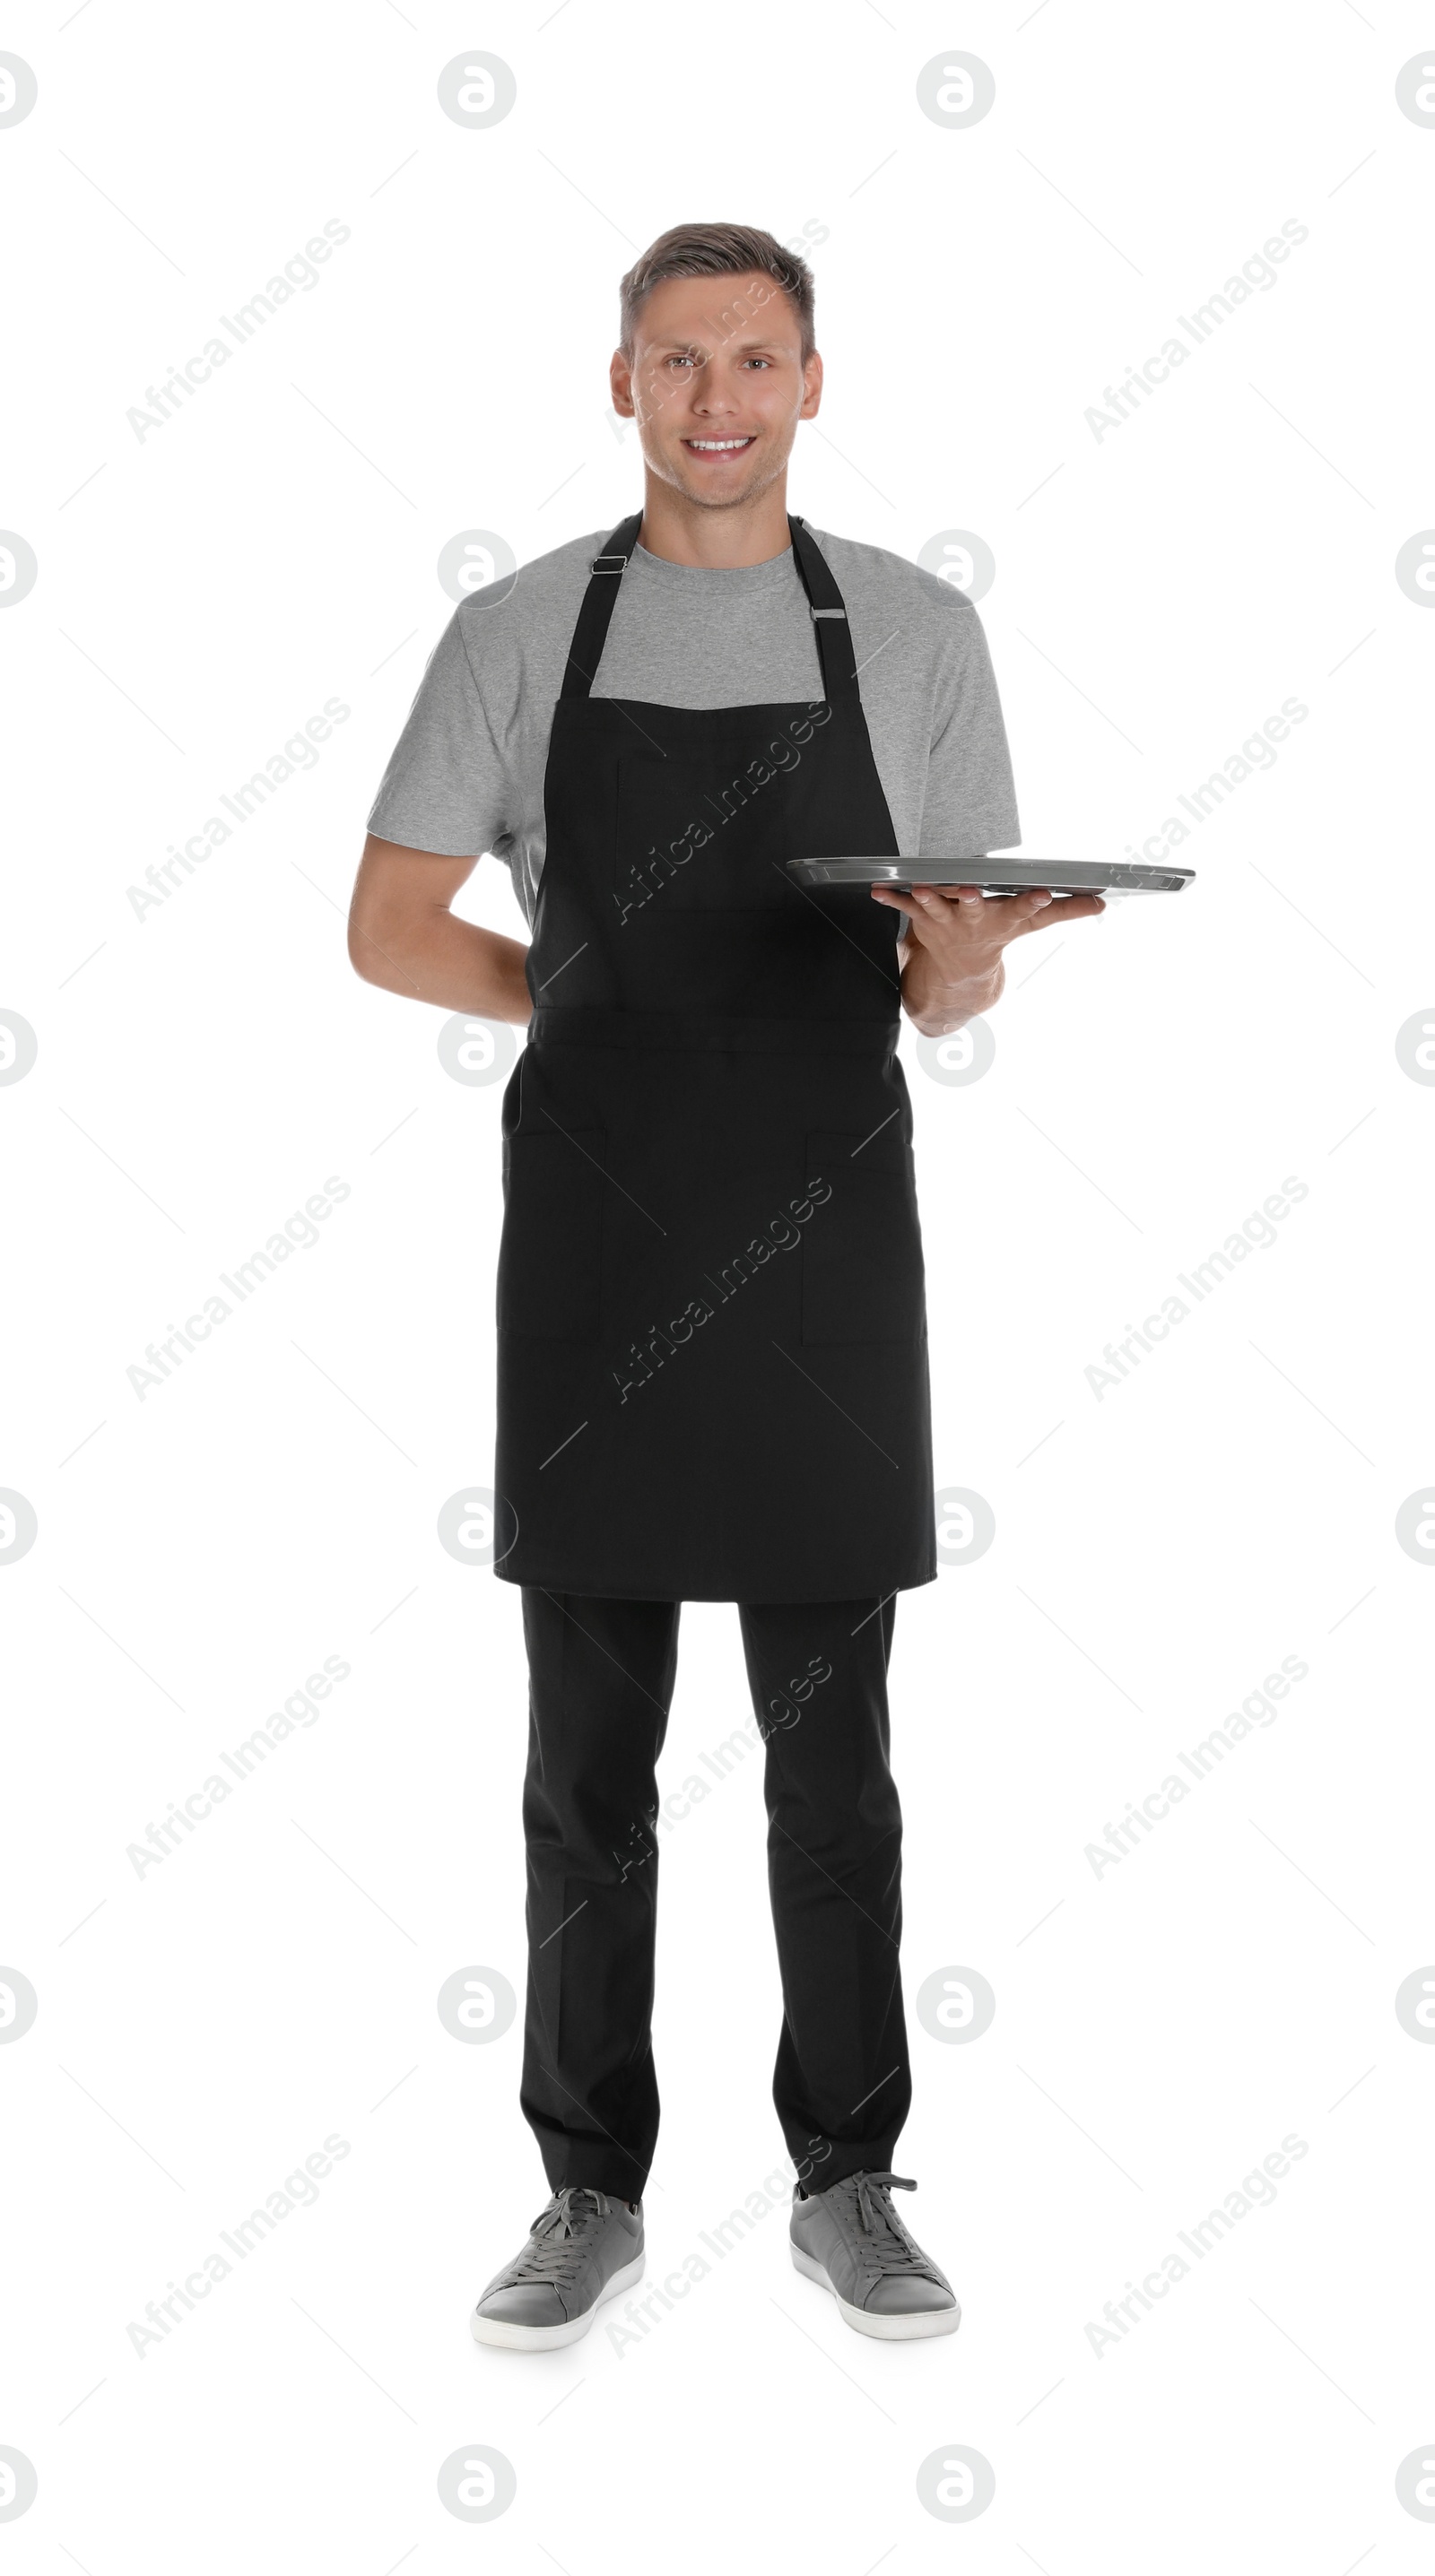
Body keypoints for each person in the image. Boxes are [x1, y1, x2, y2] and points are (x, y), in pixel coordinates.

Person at [348, 221, 1103, 2353]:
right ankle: (582, 2190)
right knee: (585, 1758)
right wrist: (572, 998)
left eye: (752, 358)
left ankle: (848, 2180)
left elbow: (939, 975)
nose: (714, 397)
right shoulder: (514, 633)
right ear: (618, 386)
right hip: (593, 1246)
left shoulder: (917, 628)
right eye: (675, 359)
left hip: (826, 1246)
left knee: (827, 1746)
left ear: (808, 381)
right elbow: (389, 923)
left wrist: (968, 956)